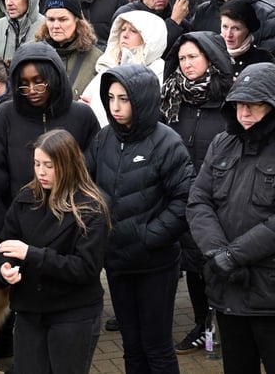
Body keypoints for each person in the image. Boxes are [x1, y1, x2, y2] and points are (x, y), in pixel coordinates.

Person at [187, 61, 275, 373]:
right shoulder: (223, 144)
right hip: (229, 289)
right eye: (239, 105)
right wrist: (217, 252)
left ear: (274, 106)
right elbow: (198, 201)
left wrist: (232, 256)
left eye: (255, 105)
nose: (245, 113)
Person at [87, 64, 193, 374]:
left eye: (124, 99)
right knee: (131, 347)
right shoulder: (102, 139)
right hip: (117, 262)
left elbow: (185, 200)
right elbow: (86, 188)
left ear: (143, 100)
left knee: (156, 347)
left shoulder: (167, 142)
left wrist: (149, 236)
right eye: (110, 98)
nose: (115, 107)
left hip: (155, 264)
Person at [0, 129, 111, 374]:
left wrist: (31, 254)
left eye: (49, 165)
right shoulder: (26, 198)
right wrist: (3, 269)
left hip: (73, 313)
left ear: (68, 165)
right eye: (37, 163)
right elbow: (5, 244)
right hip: (29, 311)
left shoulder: (91, 208)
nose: (40, 172)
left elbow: (85, 268)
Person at [160, 32, 233, 353]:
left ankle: (228, 328)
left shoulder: (230, 98)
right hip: (183, 197)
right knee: (193, 266)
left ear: (211, 58)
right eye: (182, 58)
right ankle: (203, 325)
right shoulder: (172, 95)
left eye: (194, 57)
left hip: (223, 199)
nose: (187, 64)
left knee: (219, 265)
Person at [0, 42, 100, 234]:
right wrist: (2, 231)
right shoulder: (6, 116)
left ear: (54, 78)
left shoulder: (82, 116)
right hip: (19, 225)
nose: (32, 90)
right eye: (24, 84)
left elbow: (92, 174)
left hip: (72, 224)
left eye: (39, 82)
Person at [80, 10, 168, 126]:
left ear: (149, 39)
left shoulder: (158, 72)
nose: (125, 35)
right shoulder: (110, 65)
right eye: (123, 29)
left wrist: (97, 108)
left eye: (133, 31)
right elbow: (84, 101)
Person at [35, 0, 103, 100]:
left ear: (77, 20)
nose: (55, 26)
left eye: (62, 19)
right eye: (51, 20)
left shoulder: (97, 60)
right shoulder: (32, 53)